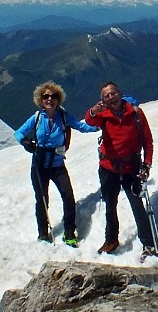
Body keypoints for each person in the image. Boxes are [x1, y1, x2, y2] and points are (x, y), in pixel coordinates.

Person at [14, 81, 98, 245]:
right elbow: (19, 132)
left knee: (68, 197)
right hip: (39, 165)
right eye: (45, 96)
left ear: (58, 99)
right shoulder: (37, 117)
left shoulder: (64, 116)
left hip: (57, 165)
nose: (49, 99)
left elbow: (81, 126)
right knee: (42, 199)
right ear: (41, 99)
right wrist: (25, 142)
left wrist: (101, 125)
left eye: (53, 96)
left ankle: (69, 232)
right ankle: (43, 233)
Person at [84, 81, 156, 255]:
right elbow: (89, 120)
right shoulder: (103, 115)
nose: (111, 97)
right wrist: (94, 110)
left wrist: (146, 164)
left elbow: (147, 141)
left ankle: (148, 242)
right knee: (110, 205)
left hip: (131, 167)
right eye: (107, 96)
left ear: (120, 93)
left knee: (136, 204)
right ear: (103, 100)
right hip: (109, 167)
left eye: (113, 93)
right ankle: (111, 240)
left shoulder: (136, 113)